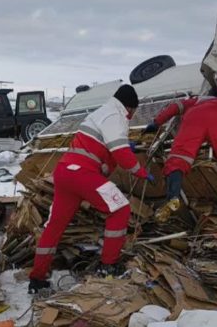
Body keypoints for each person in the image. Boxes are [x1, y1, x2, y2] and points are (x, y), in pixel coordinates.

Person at [28, 85, 153, 294]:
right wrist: (139, 171)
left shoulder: (101, 112)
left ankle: (37, 279)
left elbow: (107, 153)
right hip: (82, 174)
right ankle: (108, 266)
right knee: (120, 208)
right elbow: (120, 153)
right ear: (130, 108)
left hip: (66, 172)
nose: (131, 116)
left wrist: (123, 146)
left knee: (55, 226)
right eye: (133, 112)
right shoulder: (117, 115)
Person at [144, 90, 217, 222]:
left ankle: (172, 197)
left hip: (194, 117)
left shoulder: (199, 99)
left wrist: (156, 122)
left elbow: (176, 106)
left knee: (178, 158)